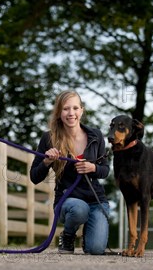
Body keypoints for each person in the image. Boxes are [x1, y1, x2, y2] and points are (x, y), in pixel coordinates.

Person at [30, 90, 110, 255]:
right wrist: (47, 161)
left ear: (81, 110)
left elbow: (105, 170)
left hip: (96, 200)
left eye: (75, 108)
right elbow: (34, 177)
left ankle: (90, 232)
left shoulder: (96, 136)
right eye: (66, 109)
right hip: (68, 200)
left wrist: (92, 168)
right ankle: (68, 235)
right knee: (80, 209)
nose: (71, 113)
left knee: (95, 249)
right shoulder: (49, 138)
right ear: (59, 113)